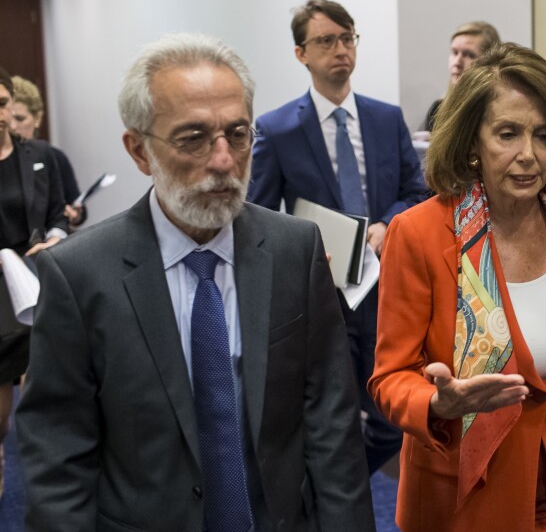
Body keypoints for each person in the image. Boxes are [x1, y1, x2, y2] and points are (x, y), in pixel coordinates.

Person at [15, 33, 375, 531]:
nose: (224, 160)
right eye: (193, 138)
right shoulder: (79, 275)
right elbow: (60, 459)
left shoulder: (296, 250)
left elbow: (331, 427)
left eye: (238, 134)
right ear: (139, 151)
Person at [369, 43, 546, 531]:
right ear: (473, 142)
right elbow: (390, 378)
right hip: (464, 489)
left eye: (544, 135)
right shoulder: (419, 234)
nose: (528, 155)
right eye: (508, 134)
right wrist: (438, 403)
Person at [248, 0, 426, 475]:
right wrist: (302, 250)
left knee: (392, 423)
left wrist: (388, 223)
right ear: (301, 53)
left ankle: (338, 486)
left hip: (387, 293)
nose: (340, 50)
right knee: (332, 419)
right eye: (326, 41)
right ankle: (332, 504)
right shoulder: (277, 129)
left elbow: (417, 192)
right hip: (321, 296)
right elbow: (258, 218)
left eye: (347, 39)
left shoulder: (387, 119)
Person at [0, 66, 68, 500]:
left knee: (42, 386)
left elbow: (59, 214)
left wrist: (55, 240)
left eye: (2, 103)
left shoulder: (40, 155)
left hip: (30, 283)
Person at [10, 75, 86, 226]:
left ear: (37, 118)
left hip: (51, 241)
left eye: (20, 119)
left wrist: (75, 214)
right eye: (9, 119)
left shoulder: (54, 156)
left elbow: (78, 208)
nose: (13, 127)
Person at [421, 21, 500, 133]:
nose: (457, 62)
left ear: (490, 61)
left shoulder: (499, 110)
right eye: (454, 52)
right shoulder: (438, 110)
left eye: (469, 55)